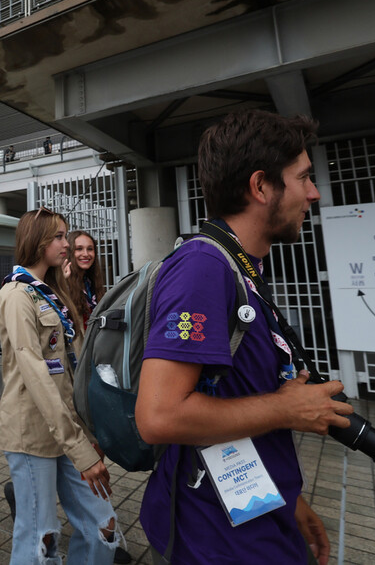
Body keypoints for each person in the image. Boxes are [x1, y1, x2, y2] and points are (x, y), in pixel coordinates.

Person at [135, 109, 353, 565]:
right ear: (260, 186)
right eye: (303, 178)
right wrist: (288, 408)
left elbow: (233, 396)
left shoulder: (240, 270)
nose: (313, 193)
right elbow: (158, 416)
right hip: (212, 538)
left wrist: (287, 498)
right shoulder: (203, 267)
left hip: (254, 515)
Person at [0, 208, 120, 564]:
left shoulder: (52, 292)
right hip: (32, 432)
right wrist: (79, 448)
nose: (66, 244)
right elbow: (35, 373)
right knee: (41, 536)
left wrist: (86, 433)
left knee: (103, 522)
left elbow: (72, 367)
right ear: (38, 241)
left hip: (68, 428)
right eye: (59, 237)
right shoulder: (18, 295)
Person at [65, 231, 105, 329]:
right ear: (69, 252)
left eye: (90, 249)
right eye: (79, 249)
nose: (86, 254)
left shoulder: (90, 282)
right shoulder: (63, 283)